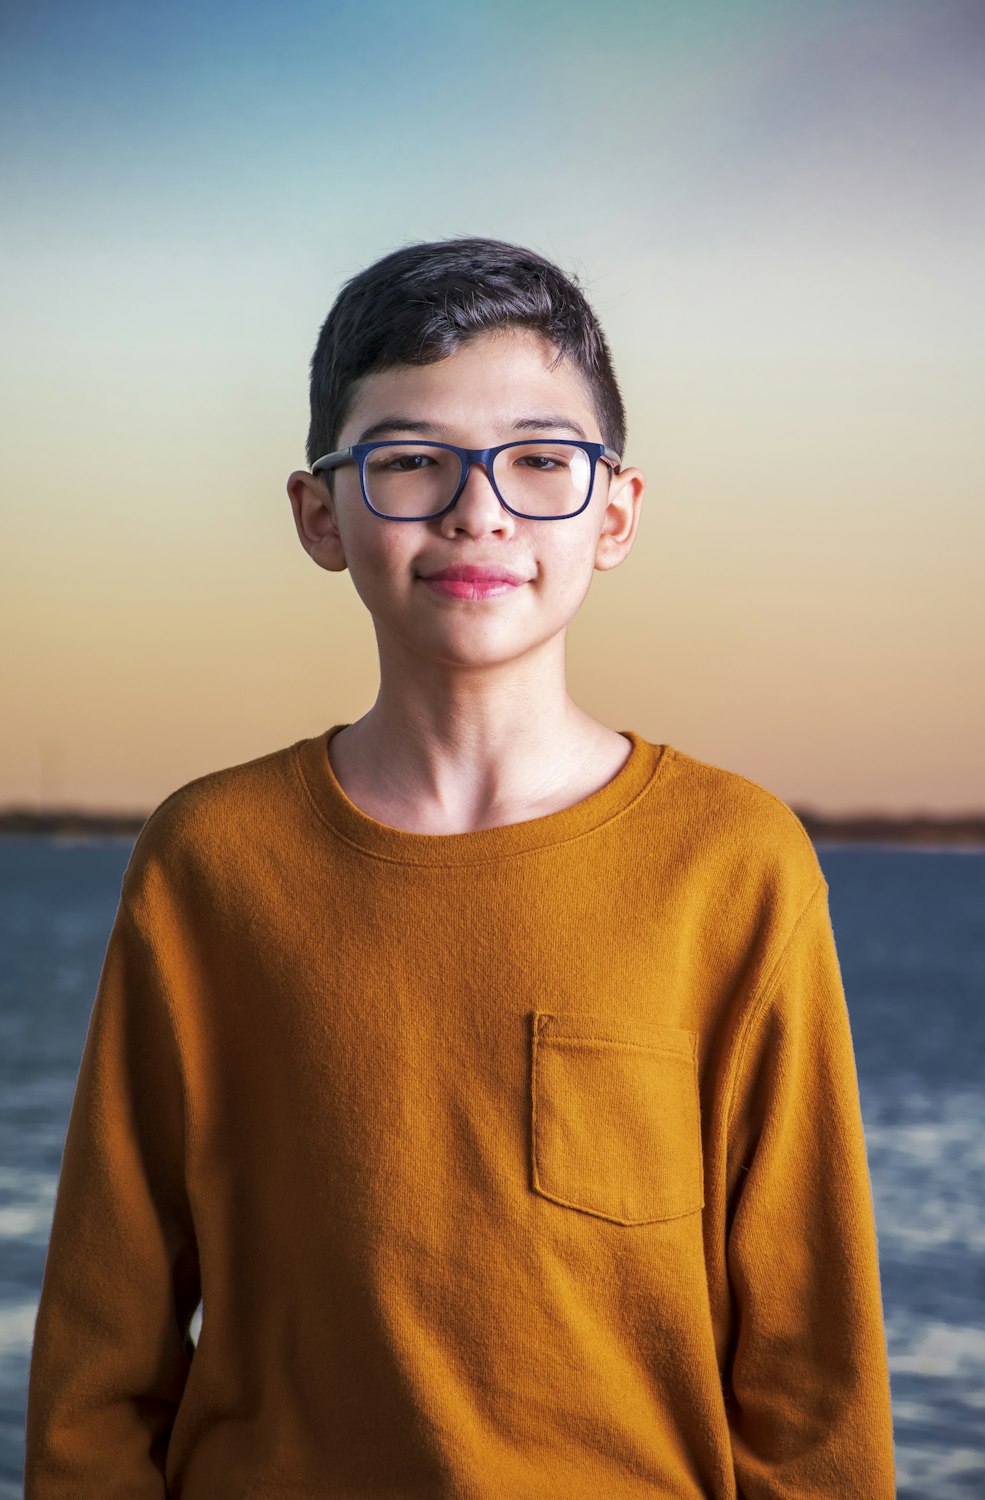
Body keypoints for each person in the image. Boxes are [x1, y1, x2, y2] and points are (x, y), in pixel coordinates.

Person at [25, 236, 896, 1497]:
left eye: (540, 460)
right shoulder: (209, 862)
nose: (476, 507)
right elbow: (101, 1363)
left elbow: (814, 1382)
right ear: (320, 514)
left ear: (615, 513)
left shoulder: (734, 865)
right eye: (410, 461)